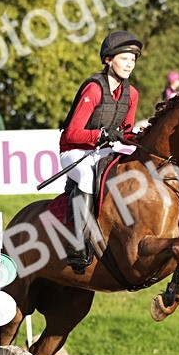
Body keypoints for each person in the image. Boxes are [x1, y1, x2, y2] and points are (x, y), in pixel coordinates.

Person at [57, 29, 143, 273]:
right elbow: (72, 133)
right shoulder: (94, 89)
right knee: (87, 175)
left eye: (133, 59)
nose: (130, 64)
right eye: (124, 58)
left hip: (103, 151)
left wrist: (139, 136)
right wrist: (101, 135)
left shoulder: (132, 93)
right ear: (108, 59)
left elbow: (126, 132)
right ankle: (77, 242)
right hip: (74, 152)